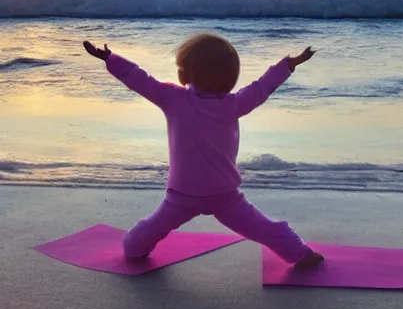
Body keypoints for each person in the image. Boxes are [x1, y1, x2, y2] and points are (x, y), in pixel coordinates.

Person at [83, 33, 324, 270]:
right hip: (224, 193)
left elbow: (141, 80)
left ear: (187, 74)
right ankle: (301, 254)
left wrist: (111, 59)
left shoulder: (173, 98)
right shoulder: (235, 104)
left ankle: (135, 250)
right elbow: (262, 87)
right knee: (263, 227)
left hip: (183, 193)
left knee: (137, 241)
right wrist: (288, 65)